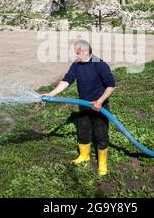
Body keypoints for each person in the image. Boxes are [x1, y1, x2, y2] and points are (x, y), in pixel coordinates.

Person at [43, 40, 116, 176]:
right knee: (83, 131)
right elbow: (67, 80)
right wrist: (51, 94)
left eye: (77, 52)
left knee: (101, 133)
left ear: (86, 51)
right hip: (84, 104)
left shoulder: (100, 65)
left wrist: (99, 101)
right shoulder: (76, 64)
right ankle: (84, 156)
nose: (75, 55)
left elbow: (111, 86)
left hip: (100, 106)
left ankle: (102, 163)